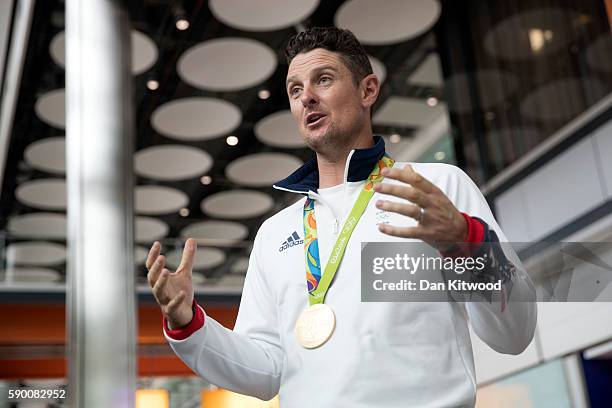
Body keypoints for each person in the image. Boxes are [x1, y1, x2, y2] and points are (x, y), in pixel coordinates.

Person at [146, 27, 537, 407]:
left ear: (368, 90)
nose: (307, 98)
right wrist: (188, 323)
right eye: (295, 90)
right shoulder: (274, 233)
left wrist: (466, 241)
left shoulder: (435, 186)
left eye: (324, 79)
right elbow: (265, 370)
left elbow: (514, 333)